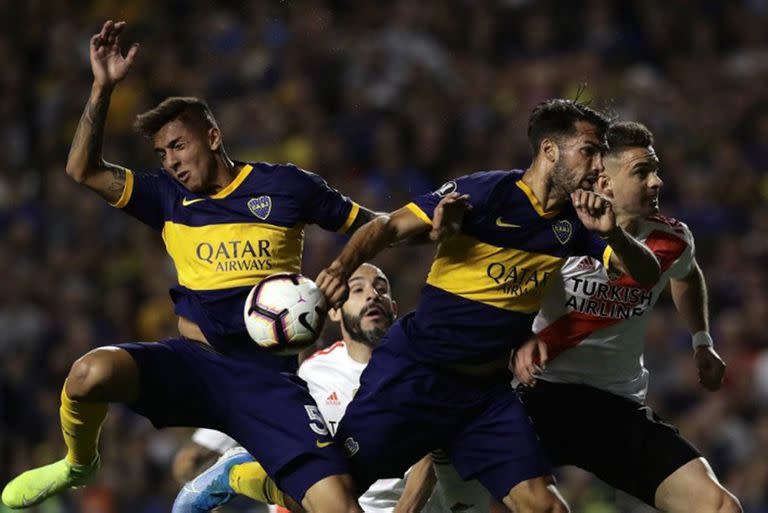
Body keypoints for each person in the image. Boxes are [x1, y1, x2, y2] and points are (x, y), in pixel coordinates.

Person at [201, 99, 661, 513]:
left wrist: (612, 233)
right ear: (549, 150)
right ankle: (241, 475)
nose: (598, 164)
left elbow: (642, 275)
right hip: (417, 375)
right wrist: (341, 268)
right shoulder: (484, 194)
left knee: (545, 506)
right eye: (588, 150)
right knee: (333, 489)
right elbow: (386, 227)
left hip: (485, 396)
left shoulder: (579, 219)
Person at [1, 20, 377, 513]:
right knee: (89, 374)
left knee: (339, 507)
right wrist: (101, 87)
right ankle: (78, 464)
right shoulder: (166, 196)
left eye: (179, 145)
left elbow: (377, 225)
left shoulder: (286, 187)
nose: (172, 161)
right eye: (162, 153)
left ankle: (245, 478)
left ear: (214, 136)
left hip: (268, 382)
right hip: (195, 365)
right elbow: (82, 170)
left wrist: (353, 260)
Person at [511, 121, 742, 513]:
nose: (656, 182)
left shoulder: (672, 238)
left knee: (718, 506)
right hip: (536, 398)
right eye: (642, 172)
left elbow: (687, 274)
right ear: (604, 182)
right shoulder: (556, 231)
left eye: (656, 170)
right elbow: (502, 295)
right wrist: (514, 345)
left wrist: (701, 340)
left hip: (614, 405)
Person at [172, 263, 489, 513]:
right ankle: (240, 474)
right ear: (335, 310)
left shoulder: (420, 366)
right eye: (358, 289)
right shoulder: (313, 373)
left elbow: (432, 453)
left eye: (381, 289)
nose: (372, 295)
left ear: (394, 307)